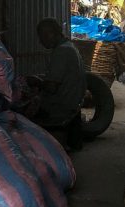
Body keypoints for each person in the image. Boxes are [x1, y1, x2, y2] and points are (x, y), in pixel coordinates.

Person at [33, 18, 87, 151]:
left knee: (24, 113)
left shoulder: (62, 51)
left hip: (63, 105)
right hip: (73, 101)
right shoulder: (69, 46)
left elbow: (51, 88)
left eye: (42, 37)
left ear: (51, 33)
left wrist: (37, 82)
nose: (40, 41)